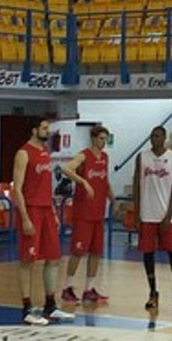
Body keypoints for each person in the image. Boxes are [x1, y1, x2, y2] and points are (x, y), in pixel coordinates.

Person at [13, 117, 75, 325]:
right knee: (27, 261)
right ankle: (27, 308)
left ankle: (50, 305)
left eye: (48, 128)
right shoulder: (23, 153)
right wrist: (24, 218)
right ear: (34, 130)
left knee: (54, 257)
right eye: (44, 128)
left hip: (47, 210)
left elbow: (46, 186)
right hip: (31, 210)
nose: (48, 131)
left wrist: (54, 212)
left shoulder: (46, 153)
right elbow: (17, 189)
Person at [133, 125, 172, 311]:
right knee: (148, 254)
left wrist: (169, 214)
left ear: (164, 138)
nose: (153, 138)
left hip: (167, 215)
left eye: (157, 135)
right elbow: (136, 185)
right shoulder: (142, 157)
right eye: (152, 135)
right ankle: (153, 293)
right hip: (147, 214)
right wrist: (137, 213)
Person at [60, 125, 116, 304]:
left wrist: (113, 199)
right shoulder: (84, 155)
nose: (103, 142)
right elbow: (66, 169)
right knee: (78, 251)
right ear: (93, 138)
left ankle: (89, 289)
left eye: (105, 139)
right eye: (101, 138)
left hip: (99, 213)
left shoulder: (105, 157)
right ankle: (67, 288)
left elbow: (104, 180)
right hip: (83, 212)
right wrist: (83, 182)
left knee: (96, 252)